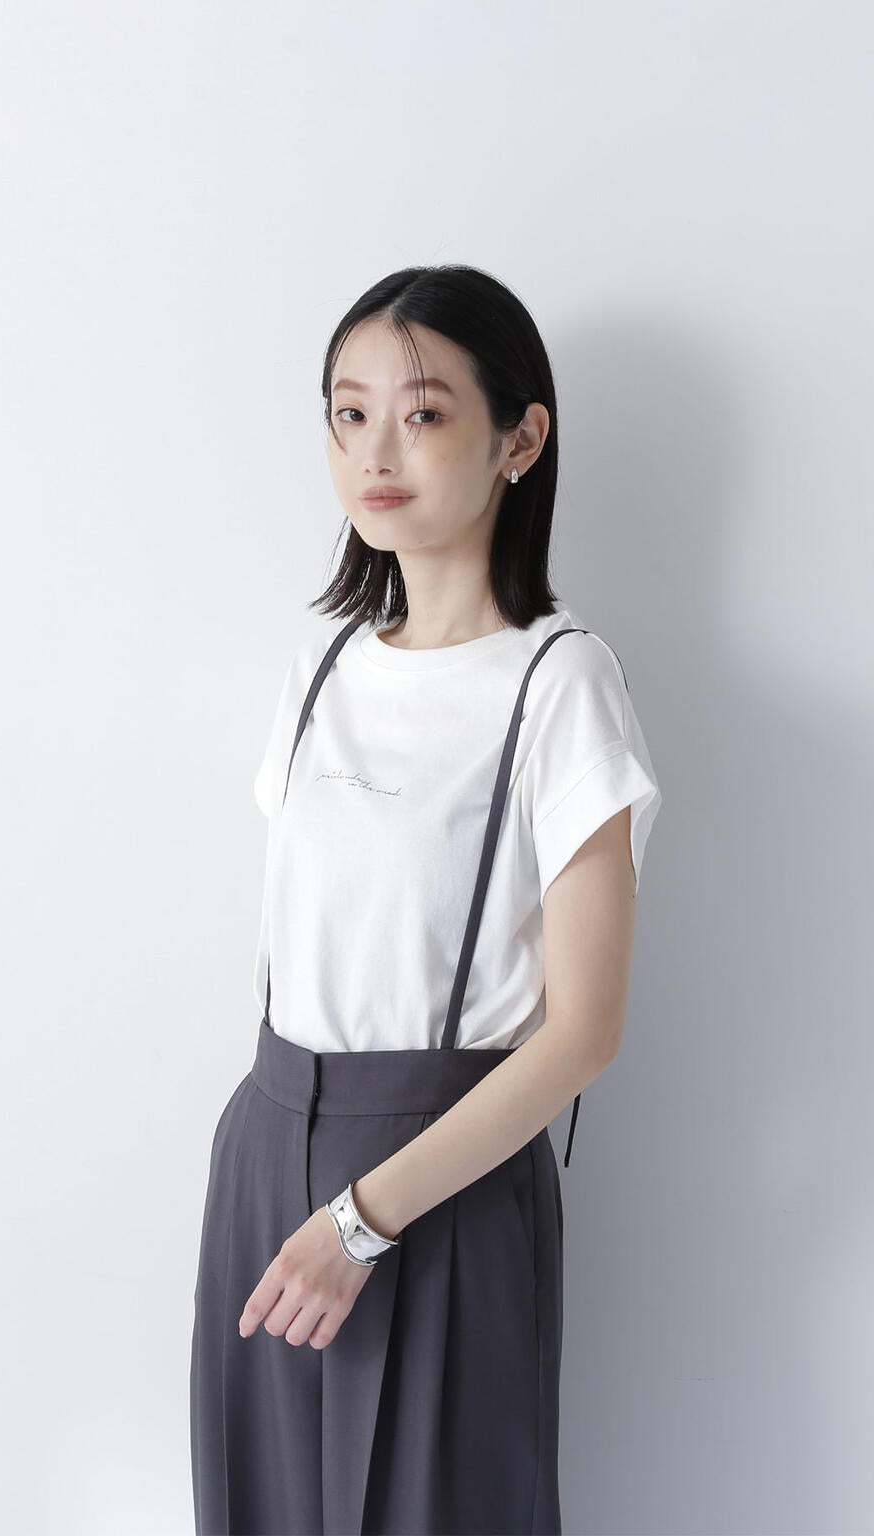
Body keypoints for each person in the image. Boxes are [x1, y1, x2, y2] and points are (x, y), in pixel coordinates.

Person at [189, 264, 662, 1536]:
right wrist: (297, 1194)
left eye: (421, 413)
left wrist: (361, 1220)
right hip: (265, 1147)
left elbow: (583, 1032)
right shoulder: (320, 663)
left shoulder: (559, 684)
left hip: (439, 1176)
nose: (374, 452)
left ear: (519, 439)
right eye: (347, 415)